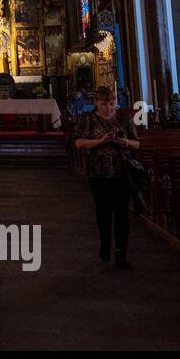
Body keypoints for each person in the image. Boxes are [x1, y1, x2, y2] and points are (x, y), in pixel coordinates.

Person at [74, 84, 140, 269]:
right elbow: (79, 143)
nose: (109, 107)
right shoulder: (88, 119)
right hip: (98, 172)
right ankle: (105, 243)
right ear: (96, 103)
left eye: (111, 103)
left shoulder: (124, 118)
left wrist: (124, 141)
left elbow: (137, 144)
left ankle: (121, 252)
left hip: (122, 171)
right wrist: (100, 141)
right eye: (104, 103)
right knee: (103, 212)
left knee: (122, 213)